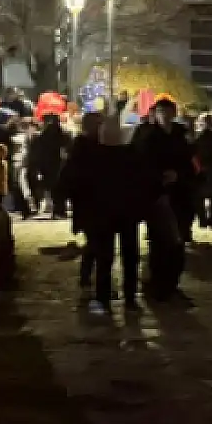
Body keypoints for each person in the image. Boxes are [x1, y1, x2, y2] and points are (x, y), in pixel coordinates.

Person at [63, 113, 149, 314]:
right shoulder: (127, 155)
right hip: (116, 215)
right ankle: (124, 298)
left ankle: (109, 298)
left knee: (109, 257)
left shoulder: (96, 156)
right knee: (118, 257)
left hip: (108, 215)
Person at [136, 98, 196, 303]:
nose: (164, 115)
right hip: (156, 195)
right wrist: (159, 177)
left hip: (179, 194)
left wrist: (178, 175)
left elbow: (190, 164)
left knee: (178, 242)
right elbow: (141, 164)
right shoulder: (148, 136)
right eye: (161, 111)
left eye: (168, 111)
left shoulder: (181, 136)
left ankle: (171, 283)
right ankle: (158, 284)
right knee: (160, 241)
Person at [25, 114, 70, 219]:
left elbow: (35, 154)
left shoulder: (41, 138)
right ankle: (59, 210)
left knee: (54, 190)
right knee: (58, 191)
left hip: (49, 167)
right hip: (57, 166)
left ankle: (58, 210)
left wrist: (36, 167)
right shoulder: (64, 136)